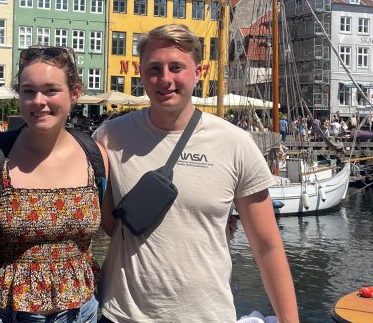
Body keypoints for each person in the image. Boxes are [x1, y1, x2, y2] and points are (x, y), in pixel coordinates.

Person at [93, 24, 298, 323]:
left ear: (198, 72)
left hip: (206, 315)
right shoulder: (110, 137)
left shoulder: (234, 143)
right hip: (122, 315)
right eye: (154, 68)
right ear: (140, 72)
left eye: (176, 67)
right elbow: (106, 220)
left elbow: (266, 245)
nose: (165, 79)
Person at [0, 45, 107, 323]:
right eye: (29, 91)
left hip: (79, 312)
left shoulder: (95, 157)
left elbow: (112, 224)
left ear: (74, 93)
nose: (39, 101)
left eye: (51, 90)